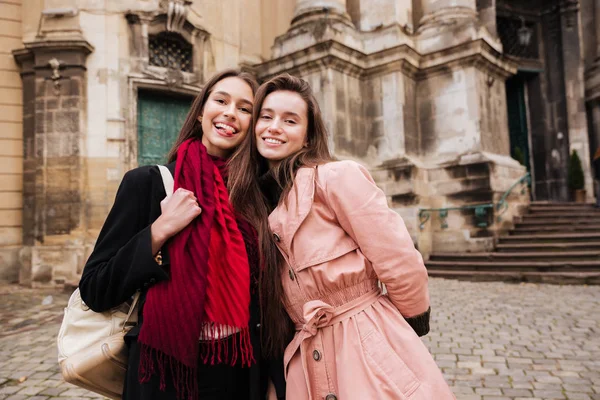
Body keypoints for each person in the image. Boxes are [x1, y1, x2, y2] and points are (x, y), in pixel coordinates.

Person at [228, 74, 454, 399]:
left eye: (290, 120)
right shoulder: (256, 202)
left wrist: (401, 330)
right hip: (303, 358)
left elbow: (399, 260)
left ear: (307, 137)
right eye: (266, 117)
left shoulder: (336, 177)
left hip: (365, 343)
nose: (274, 127)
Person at [79, 69, 285, 400]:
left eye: (245, 108)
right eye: (221, 100)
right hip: (165, 376)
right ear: (202, 110)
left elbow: (271, 299)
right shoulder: (147, 183)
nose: (231, 112)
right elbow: (96, 289)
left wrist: (274, 381)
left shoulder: (257, 198)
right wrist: (159, 230)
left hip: (241, 372)